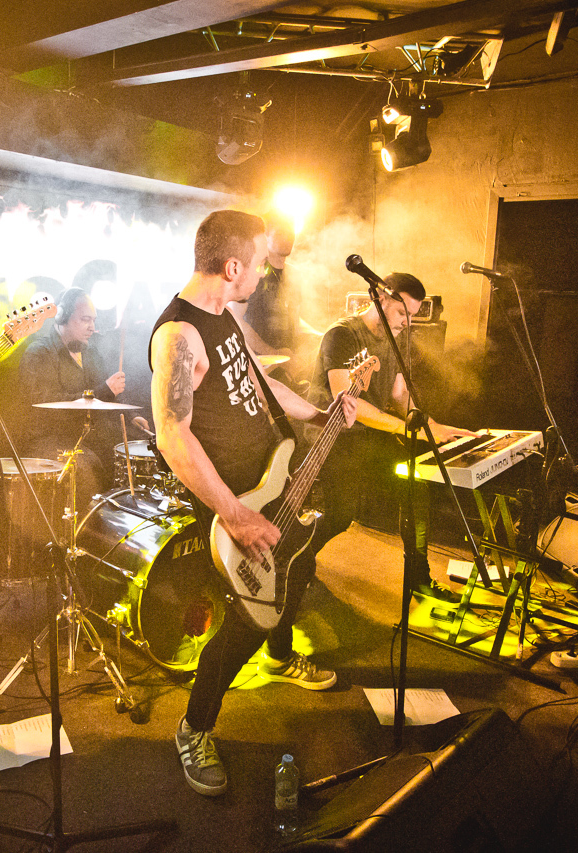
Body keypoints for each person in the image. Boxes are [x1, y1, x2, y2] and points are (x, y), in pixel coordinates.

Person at [149, 210, 359, 797]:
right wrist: (235, 514)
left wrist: (319, 413)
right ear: (232, 266)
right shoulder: (178, 336)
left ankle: (281, 657)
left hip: (270, 485)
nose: (267, 271)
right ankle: (194, 727)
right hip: (234, 504)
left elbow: (261, 386)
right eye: (261, 262)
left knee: (296, 571)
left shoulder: (224, 319)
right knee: (245, 620)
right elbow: (172, 436)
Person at [308, 273, 475, 601]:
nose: (406, 323)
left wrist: (431, 426)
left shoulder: (394, 339)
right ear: (380, 299)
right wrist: (403, 427)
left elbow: (399, 394)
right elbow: (347, 403)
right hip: (334, 436)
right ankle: (292, 558)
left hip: (370, 434)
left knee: (415, 489)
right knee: (340, 515)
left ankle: (419, 579)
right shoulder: (342, 335)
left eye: (412, 316)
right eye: (402, 313)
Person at [19, 286, 127, 495]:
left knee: (131, 451)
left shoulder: (91, 353)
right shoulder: (39, 353)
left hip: (85, 437)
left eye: (93, 320)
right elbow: (47, 406)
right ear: (61, 317)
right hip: (47, 440)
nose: (92, 327)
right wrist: (103, 391)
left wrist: (132, 417)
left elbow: (108, 397)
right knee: (88, 469)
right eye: (85, 319)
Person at [226, 212, 319, 390]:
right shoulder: (252, 273)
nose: (288, 238)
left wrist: (318, 336)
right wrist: (273, 353)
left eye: (291, 233)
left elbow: (294, 318)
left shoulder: (295, 275)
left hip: (288, 369)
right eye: (281, 233)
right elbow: (234, 321)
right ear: (266, 237)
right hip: (257, 367)